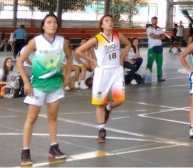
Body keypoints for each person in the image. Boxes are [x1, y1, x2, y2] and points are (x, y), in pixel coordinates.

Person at [17, 13, 71, 165]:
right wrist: (26, 82)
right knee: (32, 118)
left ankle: (53, 147)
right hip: (38, 85)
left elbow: (69, 56)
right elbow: (20, 62)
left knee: (53, 116)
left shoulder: (62, 42)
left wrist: (67, 76)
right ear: (43, 26)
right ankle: (25, 151)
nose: (53, 25)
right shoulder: (35, 42)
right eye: (49, 22)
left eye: (55, 22)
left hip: (56, 84)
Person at [76, 15, 130, 143]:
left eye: (111, 21)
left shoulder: (118, 35)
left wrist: (121, 57)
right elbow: (79, 51)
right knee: (100, 102)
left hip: (116, 70)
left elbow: (128, 45)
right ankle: (101, 130)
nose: (110, 22)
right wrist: (92, 60)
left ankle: (108, 108)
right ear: (102, 25)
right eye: (107, 21)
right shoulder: (97, 39)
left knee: (120, 99)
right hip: (103, 72)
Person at [146, 17, 167, 82]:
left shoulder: (160, 29)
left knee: (159, 63)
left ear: (157, 21)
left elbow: (163, 37)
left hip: (159, 48)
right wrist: (159, 36)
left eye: (156, 20)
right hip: (152, 48)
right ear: (151, 21)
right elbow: (152, 36)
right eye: (153, 20)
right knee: (150, 63)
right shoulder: (149, 28)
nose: (155, 21)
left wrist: (156, 36)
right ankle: (148, 77)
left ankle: (159, 77)